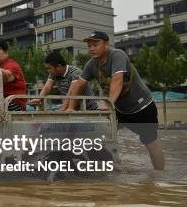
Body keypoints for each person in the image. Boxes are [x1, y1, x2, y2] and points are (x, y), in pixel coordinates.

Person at [70, 31, 164, 170]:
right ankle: (113, 167)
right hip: (119, 110)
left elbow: (117, 80)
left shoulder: (117, 55)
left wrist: (109, 104)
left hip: (142, 107)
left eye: (95, 44)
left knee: (150, 143)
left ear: (106, 44)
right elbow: (79, 84)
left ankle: (160, 176)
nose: (91, 48)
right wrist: (71, 108)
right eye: (89, 46)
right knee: (99, 136)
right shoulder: (91, 64)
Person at [29, 50, 98, 111]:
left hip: (88, 110)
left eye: (49, 68)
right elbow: (47, 87)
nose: (48, 71)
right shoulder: (54, 74)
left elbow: (70, 94)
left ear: (58, 66)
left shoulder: (75, 73)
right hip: (72, 108)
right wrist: (39, 99)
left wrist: (61, 113)